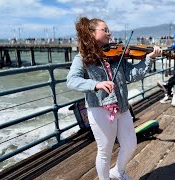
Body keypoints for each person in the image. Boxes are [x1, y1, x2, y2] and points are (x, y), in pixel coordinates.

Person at [66, 17, 162, 180]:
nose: (109, 33)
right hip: (100, 109)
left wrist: (149, 58)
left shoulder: (117, 56)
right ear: (91, 32)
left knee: (130, 144)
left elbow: (131, 75)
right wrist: (95, 85)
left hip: (122, 106)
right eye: (105, 30)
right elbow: (71, 80)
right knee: (105, 151)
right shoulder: (82, 58)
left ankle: (118, 171)